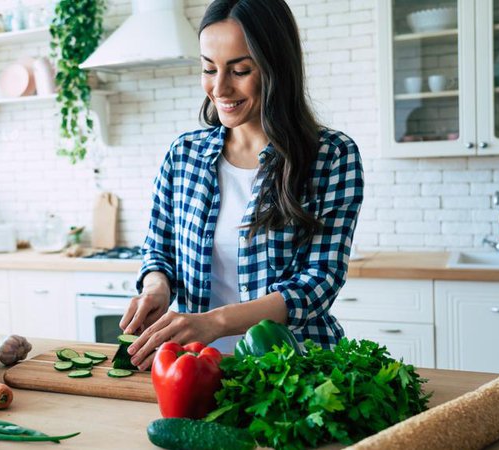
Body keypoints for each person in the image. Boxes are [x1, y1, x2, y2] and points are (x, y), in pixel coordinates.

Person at [120, 0, 364, 370]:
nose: (219, 88)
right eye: (208, 68)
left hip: (295, 372)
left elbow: (318, 283)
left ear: (275, 67)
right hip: (196, 369)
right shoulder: (184, 154)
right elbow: (159, 251)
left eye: (240, 70)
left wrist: (214, 322)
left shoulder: (330, 156)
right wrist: (156, 288)